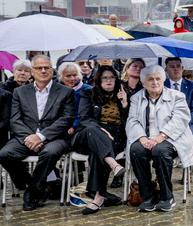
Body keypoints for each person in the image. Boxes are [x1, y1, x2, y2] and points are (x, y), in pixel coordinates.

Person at [0, 54, 76, 211]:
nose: (43, 70)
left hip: (55, 138)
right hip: (25, 137)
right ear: (32, 72)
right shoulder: (20, 92)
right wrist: (30, 137)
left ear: (52, 70)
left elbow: (66, 119)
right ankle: (34, 185)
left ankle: (32, 193)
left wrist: (41, 136)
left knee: (49, 153)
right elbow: (15, 120)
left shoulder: (65, 92)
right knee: (4, 154)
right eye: (38, 68)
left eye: (46, 67)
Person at [126, 65, 193, 213]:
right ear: (143, 82)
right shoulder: (136, 98)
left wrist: (161, 136)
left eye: (158, 79)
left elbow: (180, 119)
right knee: (136, 150)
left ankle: (167, 197)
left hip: (172, 138)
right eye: (150, 79)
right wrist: (142, 138)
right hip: (146, 138)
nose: (155, 82)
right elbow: (132, 120)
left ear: (163, 80)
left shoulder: (177, 96)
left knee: (160, 151)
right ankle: (148, 196)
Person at [72, 65, 129, 214]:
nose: (109, 81)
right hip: (89, 133)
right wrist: (100, 129)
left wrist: (124, 104)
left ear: (116, 79)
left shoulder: (123, 94)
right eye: (105, 78)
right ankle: (113, 164)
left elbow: (129, 122)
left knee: (98, 152)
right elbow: (84, 118)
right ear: (99, 80)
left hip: (114, 136)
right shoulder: (88, 93)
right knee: (95, 133)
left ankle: (98, 197)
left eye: (112, 77)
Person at [164, 57, 193, 140]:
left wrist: (181, 123)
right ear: (166, 69)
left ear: (182, 68)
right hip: (166, 124)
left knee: (185, 139)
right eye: (172, 67)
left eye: (178, 66)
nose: (176, 69)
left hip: (188, 123)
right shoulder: (162, 86)